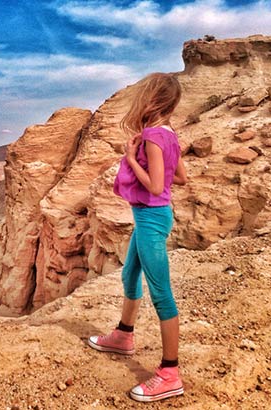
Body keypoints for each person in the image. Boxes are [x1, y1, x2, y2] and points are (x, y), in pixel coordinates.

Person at [87, 72, 188, 402]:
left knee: (161, 294)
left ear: (153, 100)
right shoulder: (170, 135)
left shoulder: (153, 136)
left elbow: (157, 186)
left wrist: (131, 158)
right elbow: (180, 178)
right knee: (130, 274)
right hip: (154, 217)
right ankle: (123, 336)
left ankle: (170, 373)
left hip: (151, 220)